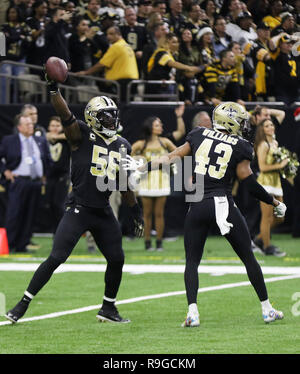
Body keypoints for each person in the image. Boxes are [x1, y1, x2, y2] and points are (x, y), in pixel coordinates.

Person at [124, 101, 286, 326]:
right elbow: (248, 182)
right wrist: (273, 201)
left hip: (197, 204)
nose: (242, 125)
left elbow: (172, 156)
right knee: (248, 257)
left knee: (192, 261)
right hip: (222, 204)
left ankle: (193, 312)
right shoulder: (241, 145)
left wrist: (141, 168)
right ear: (229, 121)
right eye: (239, 121)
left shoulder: (199, 134)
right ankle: (267, 308)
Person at [5, 75, 144, 324]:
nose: (111, 119)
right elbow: (65, 113)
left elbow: (123, 182)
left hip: (102, 210)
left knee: (117, 258)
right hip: (79, 208)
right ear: (93, 118)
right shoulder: (81, 135)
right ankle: (23, 303)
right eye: (106, 116)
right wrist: (53, 89)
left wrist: (134, 210)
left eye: (113, 114)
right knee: (57, 257)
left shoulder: (123, 144)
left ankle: (108, 308)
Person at [0, 114, 52, 253]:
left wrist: (45, 175)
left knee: (31, 214)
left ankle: (23, 245)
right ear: (19, 127)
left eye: (31, 124)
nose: (31, 126)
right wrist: (5, 171)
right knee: (14, 213)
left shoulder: (40, 140)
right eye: (27, 124)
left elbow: (47, 159)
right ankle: (10, 244)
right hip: (19, 181)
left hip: (35, 182)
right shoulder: (9, 140)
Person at [131, 116, 177, 251]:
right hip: (146, 181)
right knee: (146, 214)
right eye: (157, 125)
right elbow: (127, 154)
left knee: (159, 214)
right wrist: (137, 162)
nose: (161, 127)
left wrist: (170, 163)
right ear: (150, 127)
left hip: (162, 180)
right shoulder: (141, 144)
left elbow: (179, 153)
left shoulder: (165, 142)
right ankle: (147, 243)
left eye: (160, 124)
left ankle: (159, 243)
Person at [77, 26, 139, 103]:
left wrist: (86, 72)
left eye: (111, 34)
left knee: (119, 107)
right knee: (128, 107)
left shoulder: (116, 46)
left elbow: (102, 64)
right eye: (107, 34)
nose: (108, 36)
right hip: (132, 81)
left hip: (122, 83)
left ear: (118, 34)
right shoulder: (127, 46)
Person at [253, 119, 288, 257]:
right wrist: (280, 166)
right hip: (265, 184)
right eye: (267, 126)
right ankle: (267, 247)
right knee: (266, 218)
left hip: (276, 183)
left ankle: (258, 239)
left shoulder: (275, 143)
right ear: (262, 129)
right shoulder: (263, 145)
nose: (271, 127)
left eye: (272, 125)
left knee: (280, 217)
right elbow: (262, 167)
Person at [45, 116, 71, 233]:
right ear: (48, 127)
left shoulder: (66, 139)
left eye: (57, 126)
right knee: (50, 204)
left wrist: (55, 136)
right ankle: (55, 231)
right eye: (53, 126)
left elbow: (71, 135)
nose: (55, 128)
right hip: (49, 176)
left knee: (59, 204)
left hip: (62, 176)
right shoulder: (43, 139)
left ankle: (62, 232)